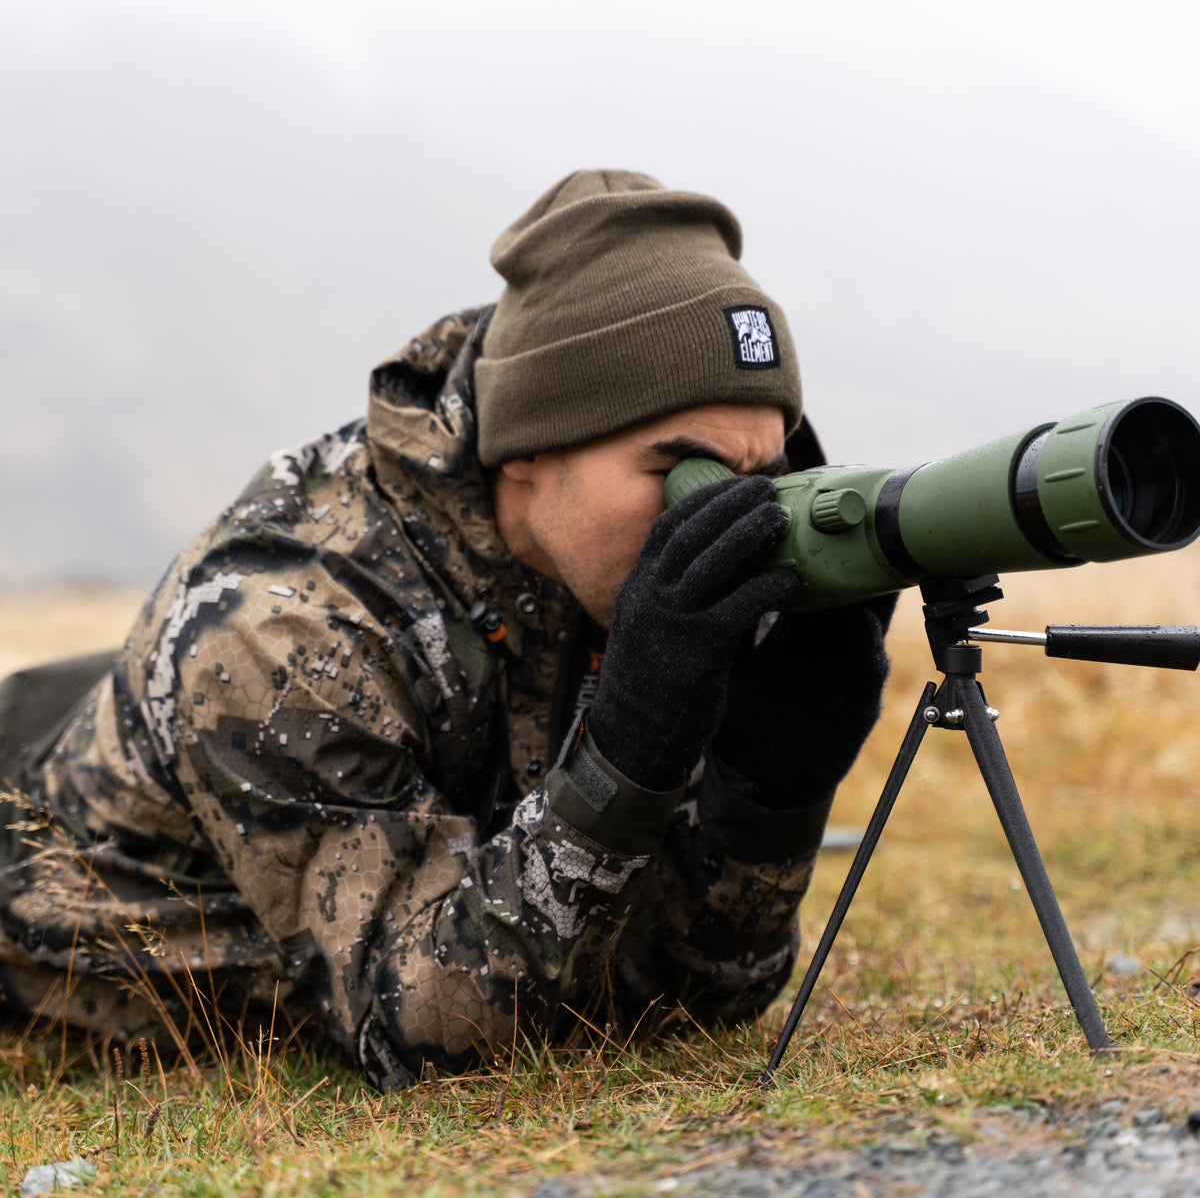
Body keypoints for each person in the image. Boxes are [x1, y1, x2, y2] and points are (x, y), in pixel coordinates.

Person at [0, 170, 891, 1089]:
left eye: (759, 475)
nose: (714, 521)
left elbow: (686, 996)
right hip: (83, 975)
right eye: (682, 471)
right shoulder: (276, 624)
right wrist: (628, 757)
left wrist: (772, 791)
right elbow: (426, 1035)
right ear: (531, 446)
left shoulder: (601, 569)